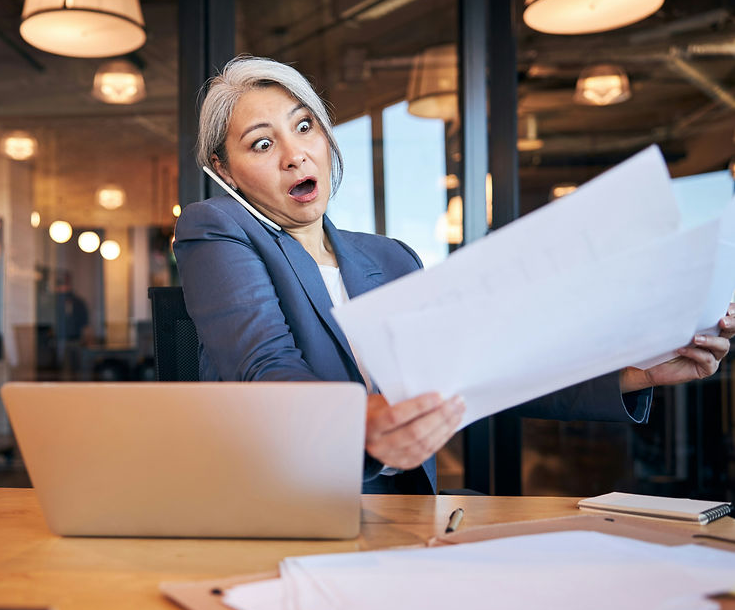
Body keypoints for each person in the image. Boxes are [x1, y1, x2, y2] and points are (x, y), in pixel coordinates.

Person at [173, 55, 735, 494]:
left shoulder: (392, 258)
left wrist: (637, 371)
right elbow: (265, 369)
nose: (295, 156)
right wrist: (363, 424)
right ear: (224, 170)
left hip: (403, 509)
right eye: (263, 143)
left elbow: (492, 373)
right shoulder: (215, 228)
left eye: (305, 127)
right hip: (284, 504)